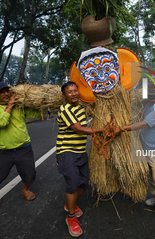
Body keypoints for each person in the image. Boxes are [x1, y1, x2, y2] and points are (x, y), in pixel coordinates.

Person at [117, 73, 155, 226]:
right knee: (150, 177)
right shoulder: (151, 102)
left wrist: (122, 128)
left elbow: (144, 123)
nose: (152, 88)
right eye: (151, 85)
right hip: (148, 147)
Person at [0, 82, 41, 215]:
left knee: (30, 174)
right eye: (1, 92)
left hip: (24, 148)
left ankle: (25, 190)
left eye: (7, 91)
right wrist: (10, 106)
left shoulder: (19, 106)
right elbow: (2, 123)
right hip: (6, 152)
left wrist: (38, 103)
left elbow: (34, 114)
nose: (6, 94)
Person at [56, 81, 103, 237]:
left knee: (83, 183)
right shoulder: (65, 109)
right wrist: (102, 130)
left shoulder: (80, 108)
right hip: (66, 152)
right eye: (69, 92)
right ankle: (71, 218)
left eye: (75, 91)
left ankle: (70, 204)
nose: (73, 93)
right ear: (64, 95)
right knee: (72, 184)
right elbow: (79, 129)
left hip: (80, 152)